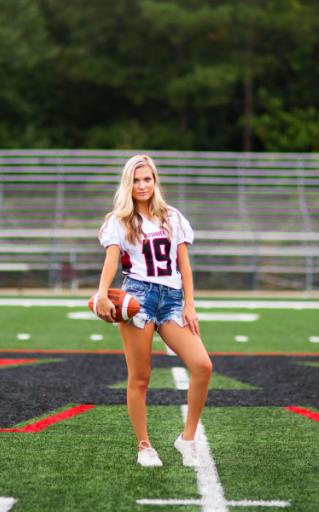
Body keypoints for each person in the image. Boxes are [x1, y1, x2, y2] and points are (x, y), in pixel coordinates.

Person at [96, 154, 213, 468]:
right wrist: (101, 292)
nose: (142, 185)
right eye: (136, 180)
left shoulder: (172, 217)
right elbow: (111, 260)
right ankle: (144, 446)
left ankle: (187, 439)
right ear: (128, 184)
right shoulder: (119, 220)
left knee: (202, 365)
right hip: (138, 298)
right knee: (141, 378)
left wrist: (190, 304)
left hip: (172, 299)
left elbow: (184, 264)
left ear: (155, 181)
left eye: (147, 179)